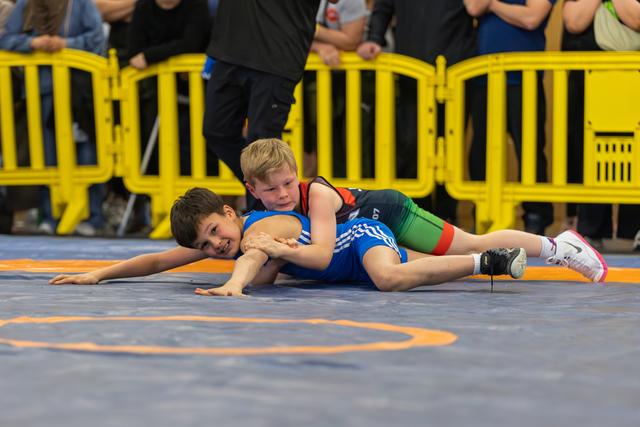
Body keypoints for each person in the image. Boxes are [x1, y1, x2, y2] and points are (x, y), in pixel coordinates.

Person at [242, 138, 607, 281]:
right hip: (368, 235)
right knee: (414, 265)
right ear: (251, 190)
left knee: (468, 243)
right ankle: (502, 261)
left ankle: (558, 247)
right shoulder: (266, 212)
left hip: (388, 212)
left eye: (288, 183)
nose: (283, 195)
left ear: (297, 175)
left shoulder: (317, 196)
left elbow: (320, 254)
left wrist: (274, 250)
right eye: (271, 190)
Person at [50, 187, 529, 295]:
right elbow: (157, 259)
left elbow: (253, 254)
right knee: (393, 274)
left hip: (360, 237)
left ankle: (487, 260)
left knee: (388, 278)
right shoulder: (223, 240)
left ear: (230, 213)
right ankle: (488, 256)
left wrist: (235, 286)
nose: (215, 245)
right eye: (205, 245)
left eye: (217, 231)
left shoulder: (262, 224)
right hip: (350, 268)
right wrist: (100, 273)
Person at [201, 0, 338, 208]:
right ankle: (272, 193)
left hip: (277, 56)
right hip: (230, 49)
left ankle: (265, 211)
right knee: (216, 131)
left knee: (261, 140)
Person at [356, 0, 477, 225]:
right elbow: (383, 7)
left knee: (449, 147)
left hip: (455, 75)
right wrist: (374, 38)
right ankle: (416, 216)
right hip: (411, 73)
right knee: (410, 144)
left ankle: (446, 217)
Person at [0, 0, 107, 236]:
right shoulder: (27, 5)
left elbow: (97, 37)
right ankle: (50, 215)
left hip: (80, 92)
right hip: (42, 91)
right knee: (47, 154)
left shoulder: (80, 4)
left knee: (86, 152)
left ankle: (92, 216)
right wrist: (32, 42)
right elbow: (5, 39)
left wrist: (65, 44)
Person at [464, 0, 556, 235]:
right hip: (483, 76)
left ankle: (536, 216)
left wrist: (493, 4)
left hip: (522, 78)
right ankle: (483, 212)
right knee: (480, 149)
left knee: (530, 148)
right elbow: (474, 7)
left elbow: (531, 18)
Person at [562, 0, 640, 251]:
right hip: (588, 78)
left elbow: (636, 18)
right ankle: (590, 229)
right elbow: (574, 21)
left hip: (632, 77)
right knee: (588, 149)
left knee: (635, 149)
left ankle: (635, 227)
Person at [303, 0, 368, 177]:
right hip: (310, 80)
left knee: (352, 142)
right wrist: (317, 46)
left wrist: (309, 28)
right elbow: (287, 34)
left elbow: (350, 40)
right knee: (312, 140)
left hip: (357, 80)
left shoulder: (350, 3)